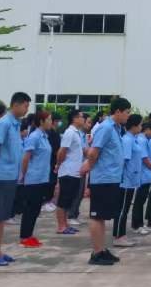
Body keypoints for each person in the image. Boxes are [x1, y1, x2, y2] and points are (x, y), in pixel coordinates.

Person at [0, 91, 30, 267]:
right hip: (1, 175)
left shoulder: (15, 124)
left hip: (10, 175)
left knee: (1, 216)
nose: (27, 109)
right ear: (15, 104)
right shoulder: (4, 124)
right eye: (25, 105)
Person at [80, 97, 130, 266]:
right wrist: (88, 165)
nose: (128, 116)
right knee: (97, 216)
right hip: (102, 178)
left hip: (111, 178)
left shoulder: (116, 128)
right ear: (118, 111)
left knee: (103, 217)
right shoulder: (106, 127)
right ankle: (96, 253)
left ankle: (101, 249)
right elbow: (94, 152)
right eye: (127, 112)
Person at [17, 109, 54, 248]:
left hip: (42, 178)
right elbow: (26, 158)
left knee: (36, 209)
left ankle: (29, 235)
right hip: (33, 178)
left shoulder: (44, 136)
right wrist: (24, 175)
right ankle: (24, 236)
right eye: (49, 119)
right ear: (41, 121)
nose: (51, 122)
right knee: (30, 209)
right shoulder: (34, 137)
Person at [113, 113, 144, 247]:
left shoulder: (133, 139)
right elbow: (124, 160)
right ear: (134, 126)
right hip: (126, 180)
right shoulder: (127, 140)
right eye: (140, 125)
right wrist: (127, 176)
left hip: (131, 180)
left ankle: (122, 234)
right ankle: (118, 236)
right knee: (122, 209)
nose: (141, 127)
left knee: (125, 209)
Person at [53, 110, 87, 236]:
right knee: (63, 200)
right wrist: (58, 164)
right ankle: (61, 226)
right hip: (68, 171)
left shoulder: (76, 133)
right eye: (81, 117)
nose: (83, 119)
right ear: (74, 118)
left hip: (75, 172)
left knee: (69, 200)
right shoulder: (70, 132)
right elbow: (62, 151)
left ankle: (65, 224)